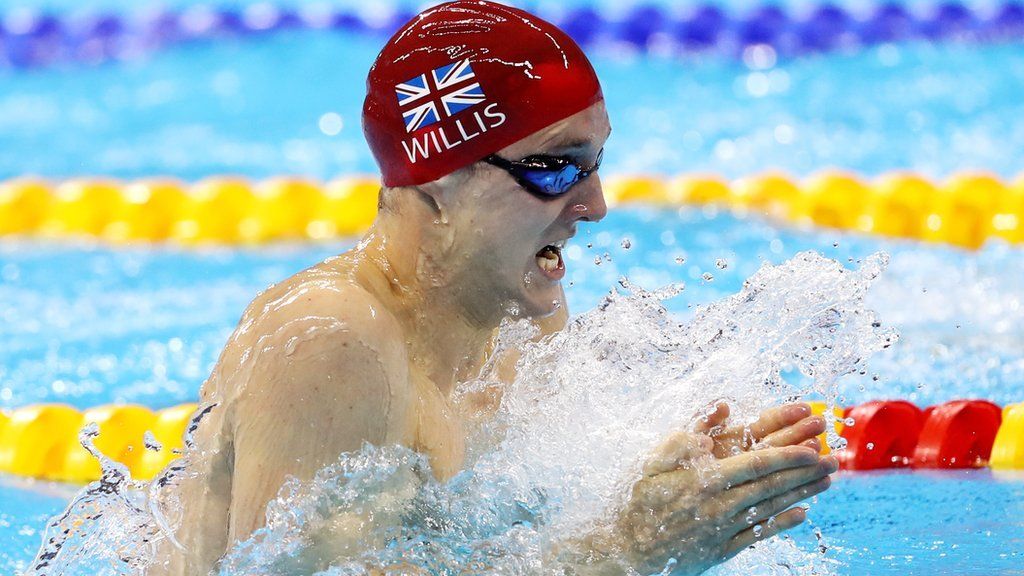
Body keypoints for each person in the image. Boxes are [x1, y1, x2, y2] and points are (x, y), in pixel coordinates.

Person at [151, 2, 836, 574]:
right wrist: (628, 551)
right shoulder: (333, 341)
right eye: (555, 168)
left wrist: (668, 499)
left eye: (595, 163)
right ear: (438, 181)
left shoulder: (518, 318)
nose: (594, 205)